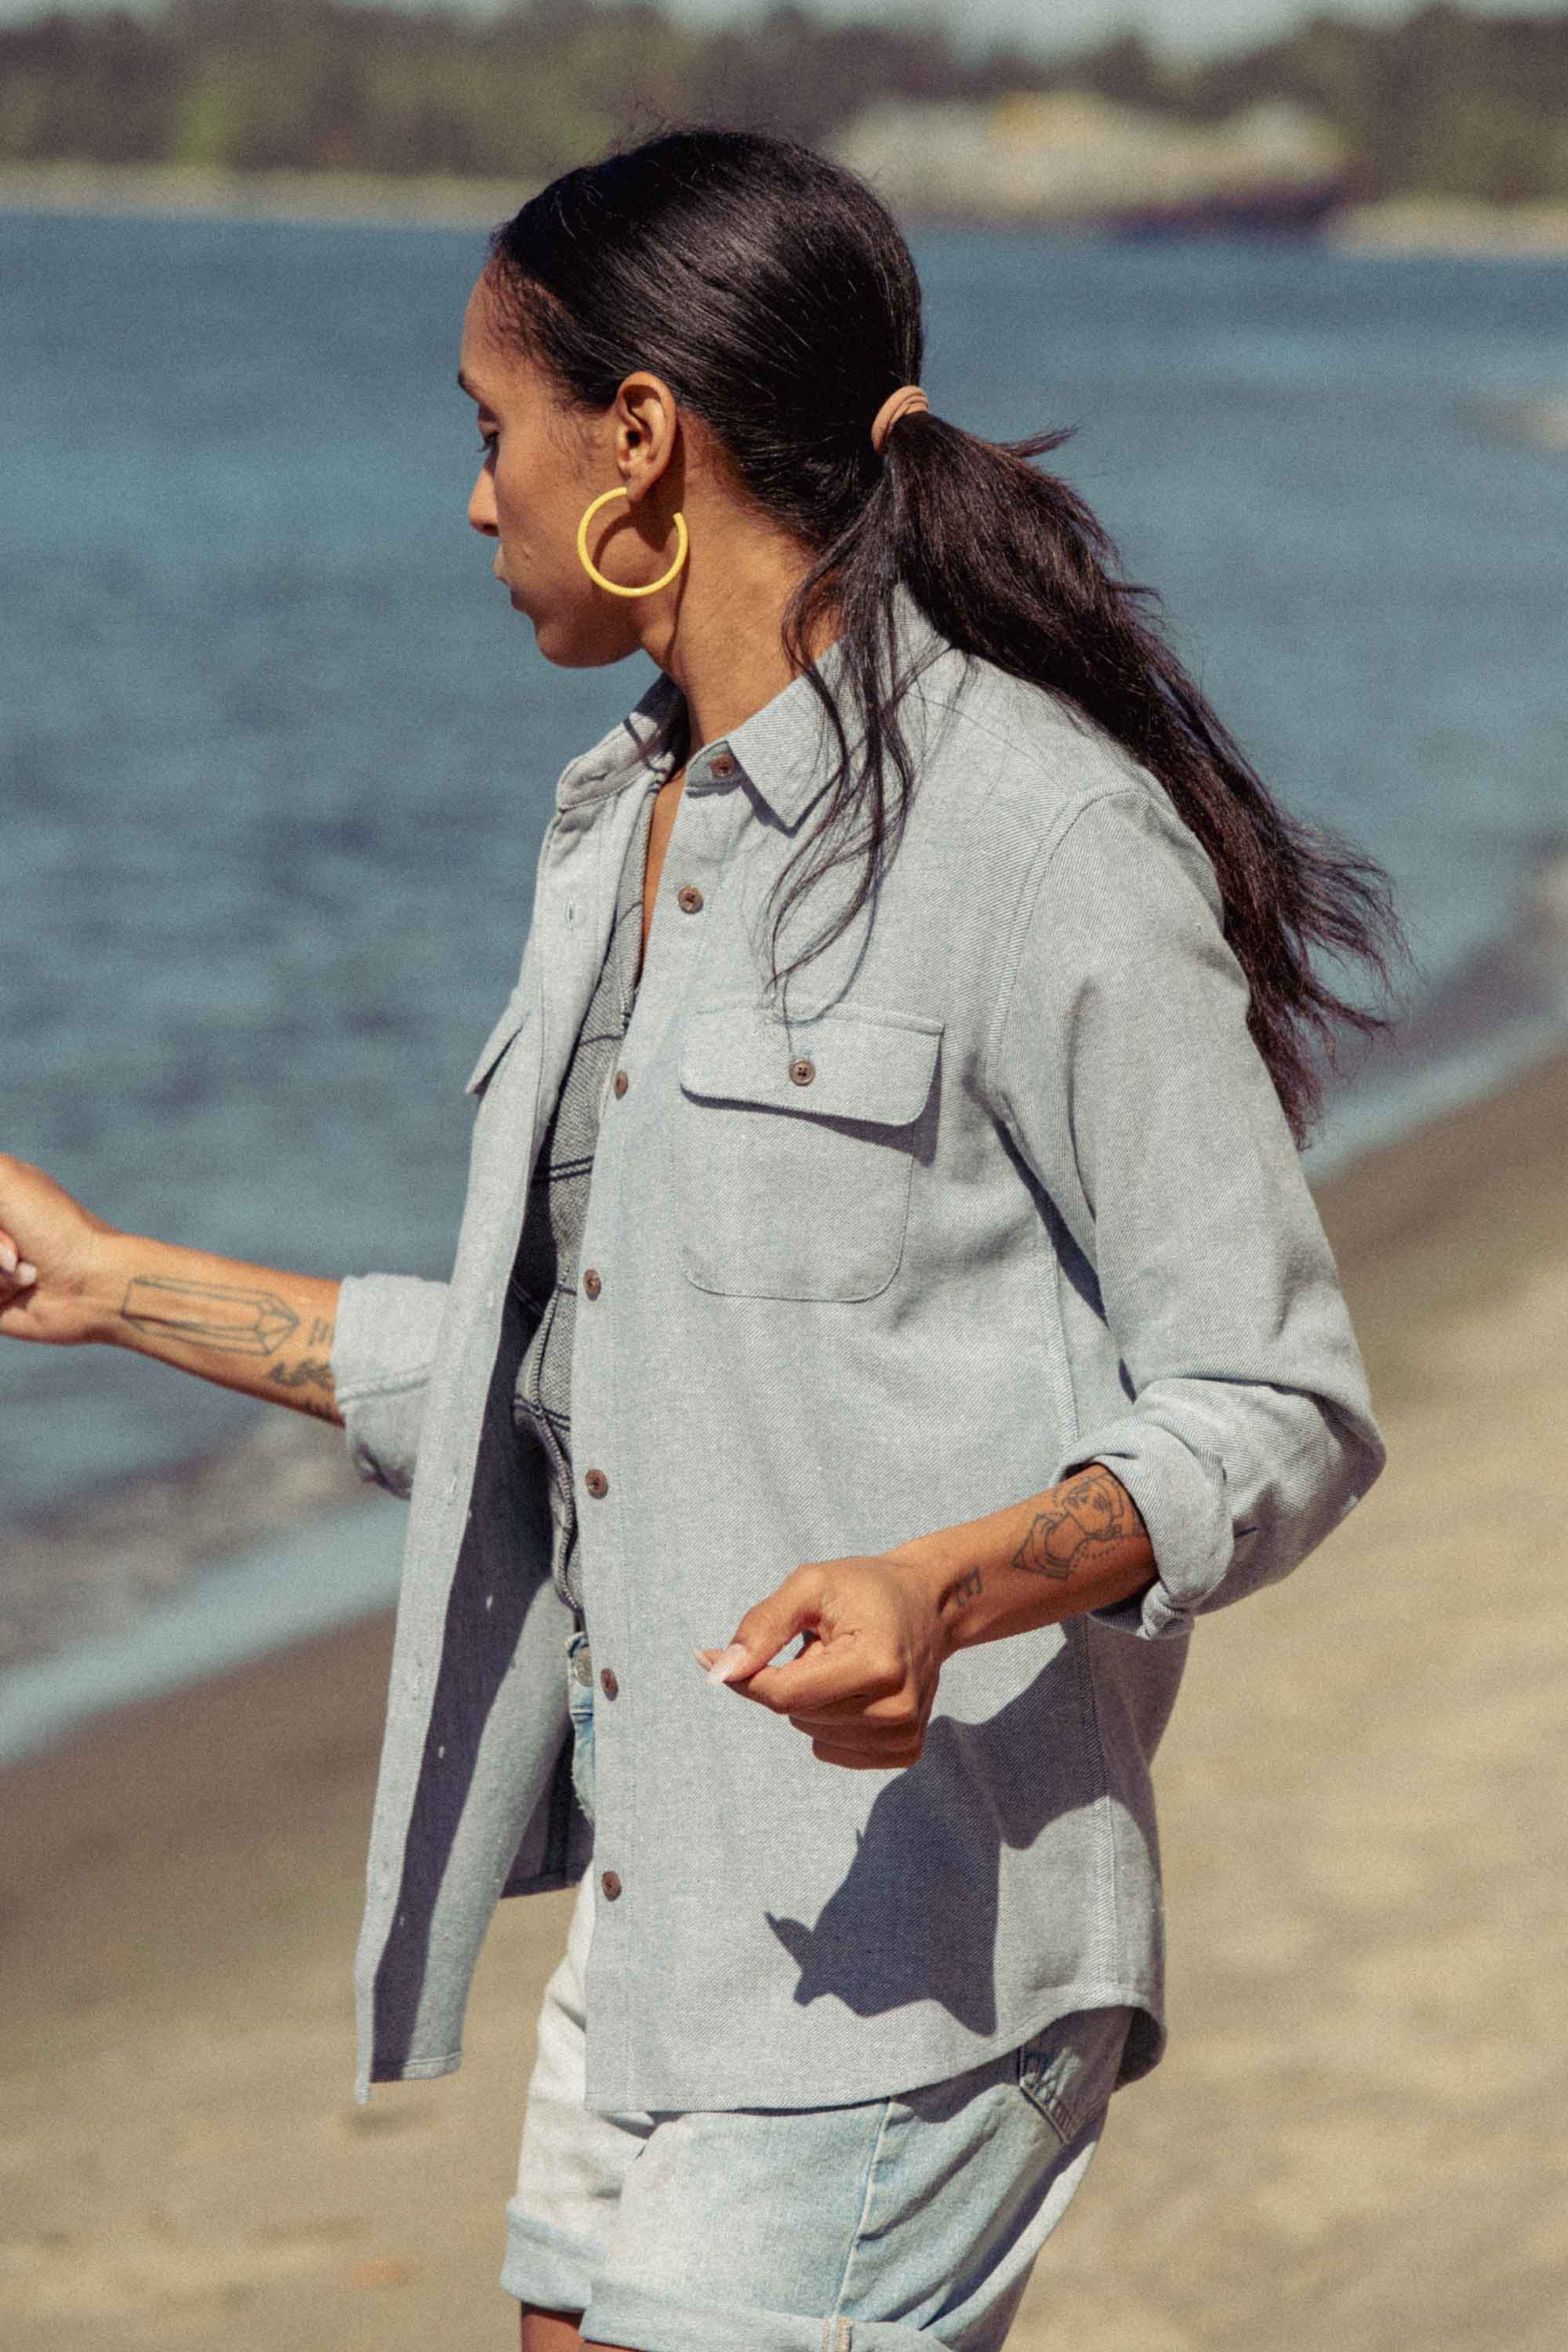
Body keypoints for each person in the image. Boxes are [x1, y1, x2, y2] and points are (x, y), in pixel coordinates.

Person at [0, 128, 1405, 2352]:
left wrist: (945, 1583)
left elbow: (1283, 1401)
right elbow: (587, 1375)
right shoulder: (623, 831)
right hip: (661, 1929)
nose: (475, 499)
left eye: (493, 433)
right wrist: (114, 1288)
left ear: (635, 440)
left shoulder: (1032, 833)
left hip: (917, 1959)